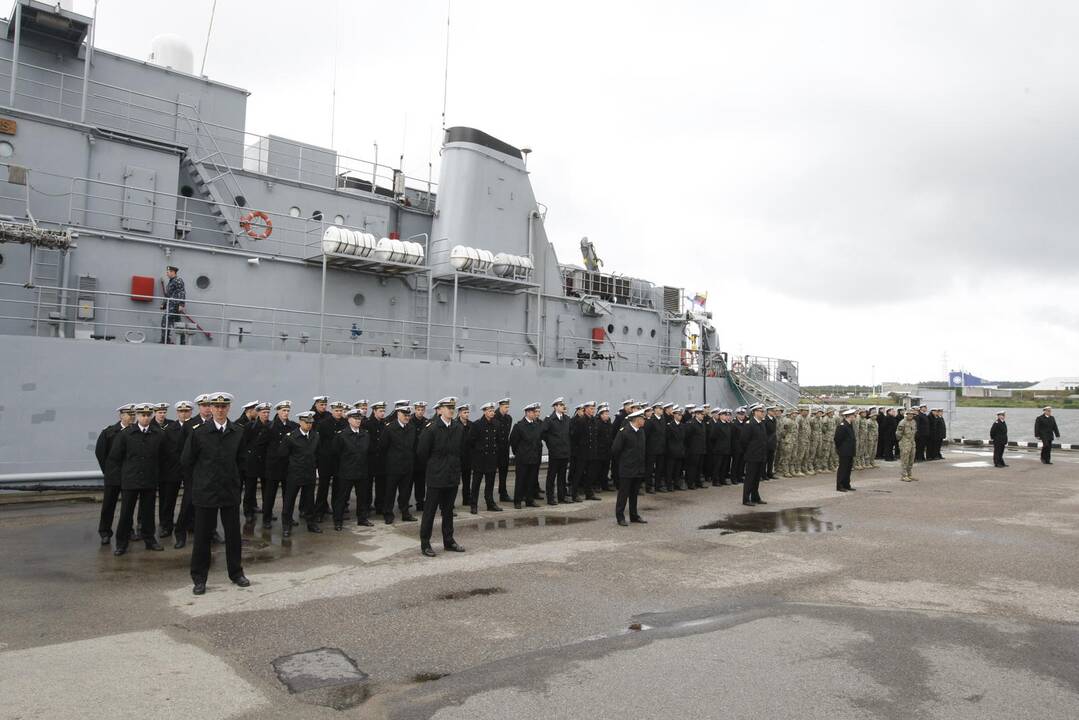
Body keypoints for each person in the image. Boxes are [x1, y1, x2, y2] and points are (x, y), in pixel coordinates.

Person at [181, 392, 249, 595]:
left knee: (233, 536)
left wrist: (237, 483)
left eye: (224, 406)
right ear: (210, 408)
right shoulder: (199, 432)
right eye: (216, 406)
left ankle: (236, 573)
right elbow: (187, 460)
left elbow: (242, 461)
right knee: (202, 537)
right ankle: (199, 578)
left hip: (229, 491)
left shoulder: (237, 431)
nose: (220, 410)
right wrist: (199, 484)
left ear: (229, 408)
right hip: (206, 492)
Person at [109, 403, 166, 555]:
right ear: (137, 416)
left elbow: (164, 456)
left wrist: (157, 474)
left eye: (148, 415)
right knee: (126, 513)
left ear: (152, 416)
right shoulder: (126, 434)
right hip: (130, 480)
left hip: (149, 479)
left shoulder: (158, 434)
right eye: (142, 415)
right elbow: (115, 457)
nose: (145, 418)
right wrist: (122, 477)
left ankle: (149, 540)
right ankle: (121, 543)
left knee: (148, 512)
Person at [417, 397, 466, 557]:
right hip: (436, 477)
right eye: (447, 407)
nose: (451, 410)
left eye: (453, 407)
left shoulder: (458, 427)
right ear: (440, 410)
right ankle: (425, 543)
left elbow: (459, 450)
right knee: (430, 512)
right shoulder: (431, 428)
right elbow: (422, 453)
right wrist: (434, 468)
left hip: (452, 475)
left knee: (448, 511)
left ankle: (449, 541)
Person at [173, 394, 213, 549]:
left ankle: (211, 531)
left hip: (210, 472)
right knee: (188, 503)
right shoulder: (190, 425)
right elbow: (181, 450)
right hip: (193, 473)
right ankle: (180, 533)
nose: (207, 408)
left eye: (209, 405)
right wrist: (186, 472)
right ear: (199, 407)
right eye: (204, 405)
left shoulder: (215, 424)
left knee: (210, 504)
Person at [278, 410, 321, 537]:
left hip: (309, 473)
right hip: (294, 474)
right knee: (289, 501)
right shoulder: (291, 437)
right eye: (306, 422)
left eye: (311, 422)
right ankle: (286, 526)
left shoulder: (315, 436)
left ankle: (311, 523)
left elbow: (317, 453)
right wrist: (289, 470)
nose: (309, 425)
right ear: (300, 422)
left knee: (309, 501)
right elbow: (282, 455)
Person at [95, 403, 134, 545]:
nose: (132, 418)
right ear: (121, 416)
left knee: (128, 507)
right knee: (108, 505)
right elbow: (100, 453)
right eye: (129, 415)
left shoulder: (135, 432)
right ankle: (105, 532)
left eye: (133, 415)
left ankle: (128, 531)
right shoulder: (109, 432)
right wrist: (108, 471)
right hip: (113, 476)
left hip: (129, 476)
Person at [333, 408, 372, 529]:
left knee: (362, 497)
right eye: (355, 419)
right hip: (347, 471)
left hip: (362, 470)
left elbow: (368, 452)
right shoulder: (342, 435)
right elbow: (335, 453)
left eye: (359, 418)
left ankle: (362, 518)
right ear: (349, 419)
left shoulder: (365, 434)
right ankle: (338, 520)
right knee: (342, 498)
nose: (358, 421)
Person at [157, 400, 190, 537]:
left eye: (186, 411)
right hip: (172, 469)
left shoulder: (194, 427)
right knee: (168, 499)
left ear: (190, 412)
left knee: (190, 499)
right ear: (177, 413)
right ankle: (166, 525)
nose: (184, 414)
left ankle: (189, 523)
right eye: (181, 411)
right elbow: (164, 450)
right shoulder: (169, 429)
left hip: (189, 469)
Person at [380, 401, 417, 523]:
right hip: (393, 467)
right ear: (398, 414)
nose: (407, 417)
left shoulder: (411, 428)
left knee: (405, 492)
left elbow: (414, 446)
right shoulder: (390, 428)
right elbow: (383, 448)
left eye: (408, 415)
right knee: (390, 492)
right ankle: (388, 513)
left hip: (407, 466)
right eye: (405, 415)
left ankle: (405, 513)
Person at [610, 409, 648, 526]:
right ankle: (620, 517)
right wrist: (623, 462)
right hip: (626, 469)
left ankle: (634, 515)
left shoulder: (641, 431)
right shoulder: (624, 432)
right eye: (643, 419)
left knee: (634, 494)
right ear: (637, 420)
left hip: (638, 468)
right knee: (623, 494)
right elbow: (615, 450)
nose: (644, 421)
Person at [262, 400, 295, 530]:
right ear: (278, 411)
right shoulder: (270, 427)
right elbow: (262, 446)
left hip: (287, 466)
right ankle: (267, 518)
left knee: (288, 495)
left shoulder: (292, 426)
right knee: (270, 495)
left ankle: (288, 518)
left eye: (287, 411)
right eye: (283, 411)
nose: (286, 413)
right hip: (273, 466)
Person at [314, 401, 347, 520]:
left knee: (338, 488)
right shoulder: (323, 424)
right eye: (337, 411)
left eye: (341, 411)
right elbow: (317, 442)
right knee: (323, 487)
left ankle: (338, 512)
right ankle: (319, 512)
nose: (339, 413)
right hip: (325, 460)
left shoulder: (345, 423)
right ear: (332, 411)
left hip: (340, 461)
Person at [469, 402, 504, 513]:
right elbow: (471, 442)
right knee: (476, 484)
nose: (492, 413)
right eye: (489, 411)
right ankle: (473, 505)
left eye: (493, 411)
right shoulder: (477, 424)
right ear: (484, 412)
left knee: (490, 484)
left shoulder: (497, 424)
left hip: (491, 459)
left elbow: (498, 441)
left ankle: (490, 503)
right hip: (479, 459)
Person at [241, 402, 271, 523]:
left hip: (265, 462)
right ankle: (248, 512)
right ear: (258, 413)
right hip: (252, 462)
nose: (266, 414)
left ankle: (267, 511)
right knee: (250, 489)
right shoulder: (250, 426)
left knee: (267, 489)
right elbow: (244, 443)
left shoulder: (271, 426)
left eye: (268, 412)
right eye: (264, 412)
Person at [510, 402, 543, 508]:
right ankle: (518, 501)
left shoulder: (537, 425)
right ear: (528, 413)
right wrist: (519, 453)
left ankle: (530, 500)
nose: (536, 414)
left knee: (531, 480)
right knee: (520, 480)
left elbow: (538, 441)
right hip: (523, 458)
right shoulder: (519, 426)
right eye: (534, 412)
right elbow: (513, 441)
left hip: (534, 457)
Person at [542, 398, 572, 504]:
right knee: (551, 476)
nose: (562, 406)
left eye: (563, 404)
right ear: (555, 407)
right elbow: (543, 433)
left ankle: (562, 496)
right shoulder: (550, 419)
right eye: (560, 405)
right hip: (555, 452)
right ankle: (550, 497)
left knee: (562, 476)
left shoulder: (567, 419)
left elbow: (570, 433)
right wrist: (551, 444)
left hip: (564, 452)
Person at [570, 401, 600, 501]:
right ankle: (574, 494)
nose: (593, 411)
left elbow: (595, 437)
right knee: (578, 474)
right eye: (591, 409)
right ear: (585, 409)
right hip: (581, 452)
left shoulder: (594, 420)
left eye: (593, 409)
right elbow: (574, 437)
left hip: (592, 452)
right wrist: (577, 451)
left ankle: (589, 493)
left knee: (590, 474)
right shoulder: (580, 421)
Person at [740, 404, 769, 506]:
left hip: (760, 455)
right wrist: (750, 451)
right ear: (755, 412)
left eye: (763, 411)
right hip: (752, 456)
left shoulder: (761, 423)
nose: (763, 413)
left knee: (756, 478)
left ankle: (755, 497)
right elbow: (744, 441)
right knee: (750, 478)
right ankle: (746, 499)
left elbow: (763, 440)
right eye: (761, 411)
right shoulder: (749, 424)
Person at [160, 265, 187, 345]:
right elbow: (168, 294)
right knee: (178, 324)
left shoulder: (178, 280)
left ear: (173, 272)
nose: (167, 274)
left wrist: (181, 304)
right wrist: (163, 304)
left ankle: (166, 340)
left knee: (165, 321)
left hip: (175, 306)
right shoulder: (171, 281)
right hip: (170, 305)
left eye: (168, 272)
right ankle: (181, 341)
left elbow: (181, 292)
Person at [411, 401, 430, 511]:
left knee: (421, 483)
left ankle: (420, 502)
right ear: (415, 410)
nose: (420, 412)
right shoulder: (410, 421)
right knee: (408, 484)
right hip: (411, 458)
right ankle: (403, 503)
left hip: (422, 459)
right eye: (418, 409)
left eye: (422, 410)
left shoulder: (426, 422)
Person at [495, 398, 514, 502]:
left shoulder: (508, 419)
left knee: (504, 472)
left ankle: (503, 492)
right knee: (491, 474)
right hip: (495, 449)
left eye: (508, 407)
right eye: (505, 407)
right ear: (500, 406)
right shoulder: (494, 417)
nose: (507, 409)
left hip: (504, 449)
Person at [683, 406, 707, 489]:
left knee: (699, 467)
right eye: (701, 414)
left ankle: (698, 482)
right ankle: (690, 483)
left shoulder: (702, 424)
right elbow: (687, 437)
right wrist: (689, 448)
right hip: (693, 450)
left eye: (703, 414)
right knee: (692, 467)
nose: (703, 416)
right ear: (696, 414)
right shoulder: (691, 423)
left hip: (701, 449)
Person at [834, 408, 857, 491]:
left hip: (849, 451)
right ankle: (839, 486)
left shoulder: (849, 425)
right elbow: (837, 439)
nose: (855, 416)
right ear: (849, 416)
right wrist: (840, 449)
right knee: (843, 469)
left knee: (848, 469)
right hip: (844, 451)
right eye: (854, 415)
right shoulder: (842, 425)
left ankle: (846, 484)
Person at [664, 406, 686, 491]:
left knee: (678, 469)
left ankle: (676, 484)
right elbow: (668, 439)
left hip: (680, 451)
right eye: (679, 415)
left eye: (681, 415)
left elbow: (684, 439)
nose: (680, 416)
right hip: (672, 451)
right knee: (670, 470)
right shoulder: (670, 425)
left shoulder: (682, 426)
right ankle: (669, 485)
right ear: (675, 415)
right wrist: (669, 450)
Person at [594, 404, 614, 492]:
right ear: (601, 415)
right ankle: (597, 485)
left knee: (605, 469)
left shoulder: (609, 423)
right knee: (598, 469)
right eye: (605, 414)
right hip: (599, 450)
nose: (607, 415)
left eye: (607, 414)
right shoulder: (597, 423)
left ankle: (604, 485)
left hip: (607, 450)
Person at [456, 404, 473, 507]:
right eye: (464, 412)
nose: (466, 414)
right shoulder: (455, 424)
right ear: (459, 413)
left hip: (468, 457)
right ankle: (450, 502)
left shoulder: (471, 425)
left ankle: (466, 499)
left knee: (467, 480)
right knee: (455, 481)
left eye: (467, 412)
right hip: (458, 457)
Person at [896, 408, 918, 481]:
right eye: (909, 414)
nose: (911, 416)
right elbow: (898, 434)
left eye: (912, 414)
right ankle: (904, 475)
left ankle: (909, 474)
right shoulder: (902, 422)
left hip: (912, 442)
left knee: (911, 459)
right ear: (907, 414)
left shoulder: (913, 422)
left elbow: (914, 431)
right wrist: (902, 441)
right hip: (905, 442)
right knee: (905, 459)